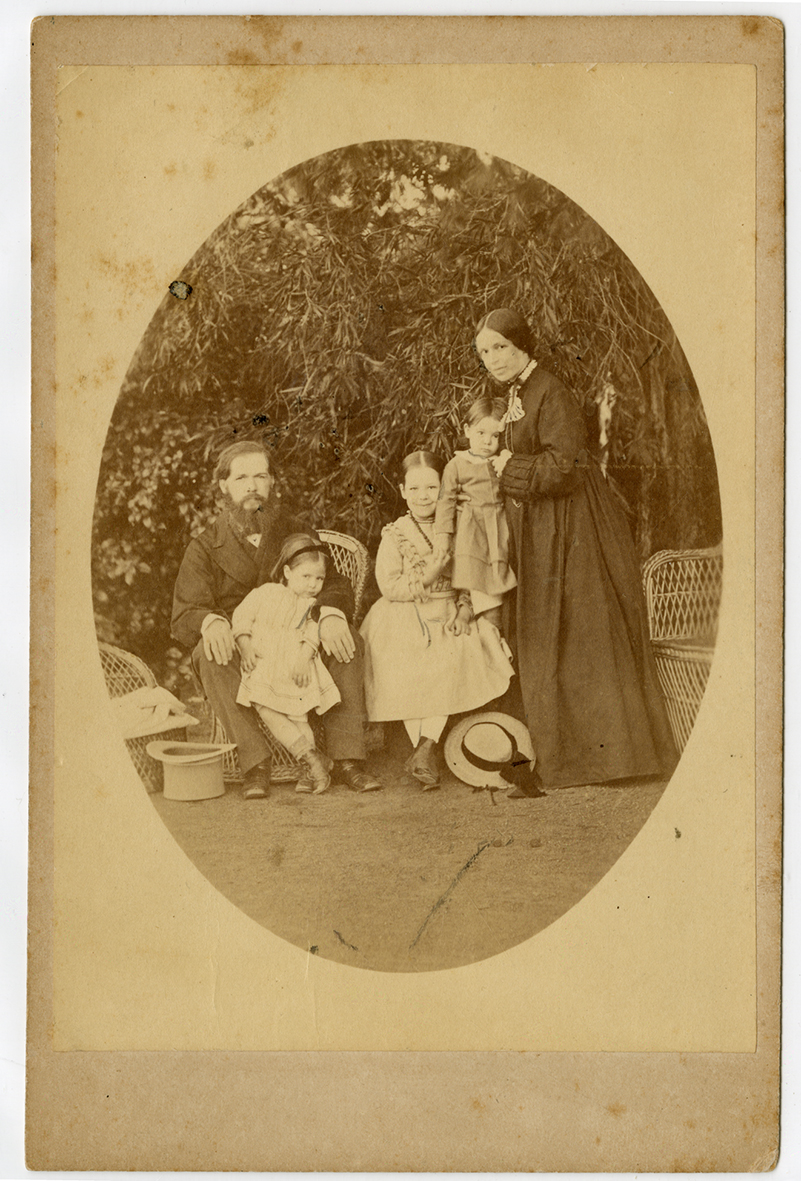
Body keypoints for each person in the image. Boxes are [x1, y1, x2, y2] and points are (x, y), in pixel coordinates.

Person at [473, 307, 677, 796]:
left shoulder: (551, 390)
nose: (493, 358)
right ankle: (576, 755)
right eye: (484, 351)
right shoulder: (520, 391)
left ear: (522, 345)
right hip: (546, 526)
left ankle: (611, 758)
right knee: (559, 634)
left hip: (573, 527)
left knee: (582, 632)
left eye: (501, 347)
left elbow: (564, 467)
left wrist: (507, 465)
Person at [171, 440, 383, 799]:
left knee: (345, 635)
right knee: (209, 653)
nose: (252, 486)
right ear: (224, 485)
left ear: (272, 482)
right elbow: (186, 610)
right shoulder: (205, 546)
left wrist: (331, 614)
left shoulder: (296, 530)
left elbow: (334, 582)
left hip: (301, 640)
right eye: (241, 478)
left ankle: (347, 759)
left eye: (260, 476)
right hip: (247, 648)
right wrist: (212, 622)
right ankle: (256, 763)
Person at [359, 450, 514, 789]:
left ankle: (425, 748)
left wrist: (464, 608)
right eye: (414, 489)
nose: (423, 496)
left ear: (444, 490)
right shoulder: (396, 533)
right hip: (403, 613)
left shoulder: (458, 527)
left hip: (447, 611)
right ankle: (423, 749)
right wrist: (429, 575)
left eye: (431, 488)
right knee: (412, 663)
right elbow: (389, 586)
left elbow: (470, 576)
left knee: (454, 657)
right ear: (403, 491)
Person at [232, 535, 340, 795]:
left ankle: (309, 770)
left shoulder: (314, 605)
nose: (313, 584)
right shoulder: (265, 593)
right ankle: (313, 759)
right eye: (306, 576)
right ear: (288, 572)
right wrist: (245, 645)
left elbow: (313, 633)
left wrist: (303, 659)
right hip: (265, 664)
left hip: (295, 665)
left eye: (319, 578)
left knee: (298, 715)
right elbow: (242, 617)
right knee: (263, 705)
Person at [433, 393, 517, 630]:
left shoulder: (501, 462)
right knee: (475, 576)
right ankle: (474, 613)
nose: (487, 441)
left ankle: (490, 623)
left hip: (499, 524)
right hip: (472, 529)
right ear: (467, 430)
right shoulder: (457, 464)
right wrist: (443, 535)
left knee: (497, 576)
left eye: (495, 436)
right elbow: (445, 500)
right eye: (481, 433)